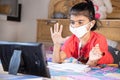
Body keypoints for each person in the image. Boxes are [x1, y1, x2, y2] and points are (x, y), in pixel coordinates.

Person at [50, 0, 113, 67]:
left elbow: (90, 67)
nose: (75, 26)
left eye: (80, 22)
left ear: (91, 23)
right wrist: (57, 45)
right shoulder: (71, 40)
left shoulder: (99, 40)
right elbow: (56, 61)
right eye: (72, 22)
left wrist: (91, 60)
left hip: (111, 58)